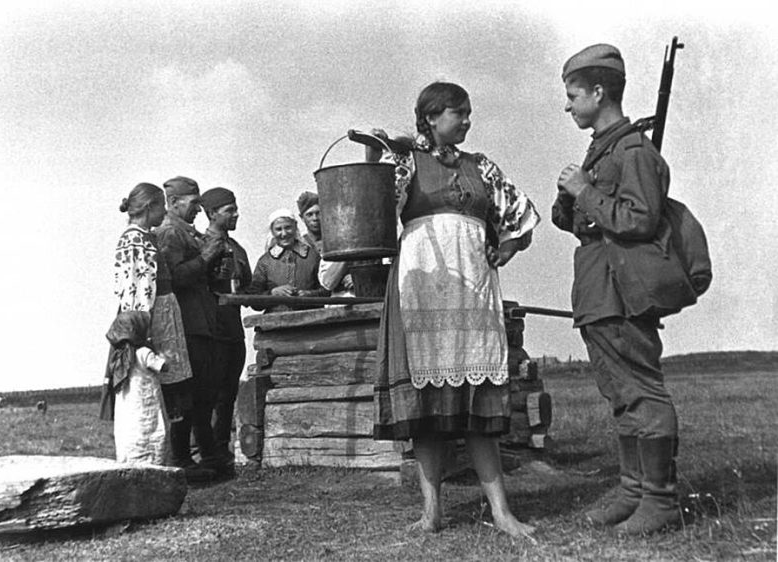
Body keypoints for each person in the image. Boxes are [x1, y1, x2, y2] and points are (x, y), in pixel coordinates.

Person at [369, 82, 540, 538]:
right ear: (430, 117)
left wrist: (507, 246)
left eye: (468, 113)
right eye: (457, 113)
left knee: (479, 404)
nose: (466, 120)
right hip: (421, 286)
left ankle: (502, 513)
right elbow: (375, 211)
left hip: (472, 289)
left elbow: (520, 215)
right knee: (426, 411)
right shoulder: (405, 162)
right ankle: (432, 513)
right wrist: (378, 156)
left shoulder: (480, 166)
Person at [552, 44, 681, 534]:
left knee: (643, 393)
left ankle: (660, 500)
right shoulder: (603, 150)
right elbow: (587, 223)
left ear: (598, 92)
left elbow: (640, 220)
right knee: (621, 395)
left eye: (573, 96)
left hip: (623, 290)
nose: (568, 106)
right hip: (598, 289)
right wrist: (571, 199)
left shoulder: (633, 152)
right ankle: (633, 491)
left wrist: (585, 191)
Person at [103, 182, 195, 471]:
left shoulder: (146, 237)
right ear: (149, 207)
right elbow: (136, 286)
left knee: (169, 383)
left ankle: (173, 456)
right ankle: (156, 458)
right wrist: (142, 332)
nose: (165, 212)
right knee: (154, 382)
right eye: (161, 207)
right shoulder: (134, 240)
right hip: (151, 319)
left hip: (163, 313)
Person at [156, 176, 228, 479]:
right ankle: (183, 460)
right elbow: (175, 278)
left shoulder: (185, 232)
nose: (199, 209)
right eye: (194, 202)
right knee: (188, 395)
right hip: (187, 325)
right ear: (174, 202)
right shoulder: (170, 232)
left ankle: (204, 457)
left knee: (203, 394)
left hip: (201, 323)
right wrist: (207, 256)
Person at [200, 187, 252, 475]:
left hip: (233, 331)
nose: (236, 214)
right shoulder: (199, 245)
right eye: (229, 210)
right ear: (212, 214)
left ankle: (222, 451)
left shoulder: (238, 249)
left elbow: (248, 287)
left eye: (236, 209)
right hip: (211, 331)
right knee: (209, 394)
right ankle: (204, 455)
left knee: (228, 394)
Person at [106, 310, 168, 465]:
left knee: (131, 428)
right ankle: (152, 460)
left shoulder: (119, 357)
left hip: (128, 405)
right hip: (146, 400)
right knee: (151, 426)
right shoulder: (144, 353)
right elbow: (163, 367)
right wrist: (162, 354)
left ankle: (130, 459)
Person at [248, 208, 327, 313]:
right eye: (278, 229)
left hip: (311, 319)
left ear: (295, 226)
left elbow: (327, 289)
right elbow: (254, 301)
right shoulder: (265, 262)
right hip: (275, 321)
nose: (284, 233)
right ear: (272, 231)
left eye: (288, 227)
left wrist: (309, 295)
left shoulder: (312, 256)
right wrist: (273, 293)